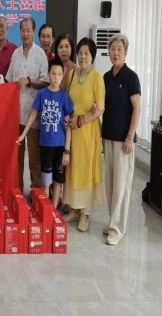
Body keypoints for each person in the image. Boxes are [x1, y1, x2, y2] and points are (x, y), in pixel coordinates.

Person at [16, 58, 73, 208]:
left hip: (60, 146)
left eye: (59, 74)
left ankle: (53, 210)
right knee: (45, 181)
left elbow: (68, 126)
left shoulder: (64, 97)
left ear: (63, 76)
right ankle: (45, 209)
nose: (56, 77)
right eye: (53, 73)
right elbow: (33, 115)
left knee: (58, 181)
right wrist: (22, 135)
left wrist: (67, 151)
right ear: (48, 75)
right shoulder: (42, 94)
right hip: (46, 145)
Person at [102, 34, 141, 246]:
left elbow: (137, 109)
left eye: (119, 49)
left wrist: (129, 137)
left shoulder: (131, 77)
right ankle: (112, 223)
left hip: (123, 141)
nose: (115, 53)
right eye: (113, 49)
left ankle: (118, 229)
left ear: (125, 53)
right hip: (107, 137)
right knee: (110, 185)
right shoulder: (106, 77)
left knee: (121, 187)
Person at [63, 37, 106, 232]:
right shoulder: (72, 74)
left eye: (86, 53)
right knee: (73, 169)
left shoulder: (97, 78)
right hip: (72, 131)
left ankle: (85, 214)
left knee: (86, 170)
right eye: (80, 53)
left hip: (88, 131)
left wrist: (82, 120)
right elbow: (67, 99)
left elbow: (100, 108)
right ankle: (75, 209)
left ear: (92, 56)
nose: (82, 56)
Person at [6, 17, 49, 191]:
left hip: (34, 115)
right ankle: (17, 190)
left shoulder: (40, 54)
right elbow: (9, 81)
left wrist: (29, 80)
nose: (25, 33)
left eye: (28, 30)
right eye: (22, 30)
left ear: (33, 32)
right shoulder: (15, 54)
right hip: (16, 115)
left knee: (34, 158)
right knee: (17, 157)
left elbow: (46, 82)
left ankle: (36, 192)